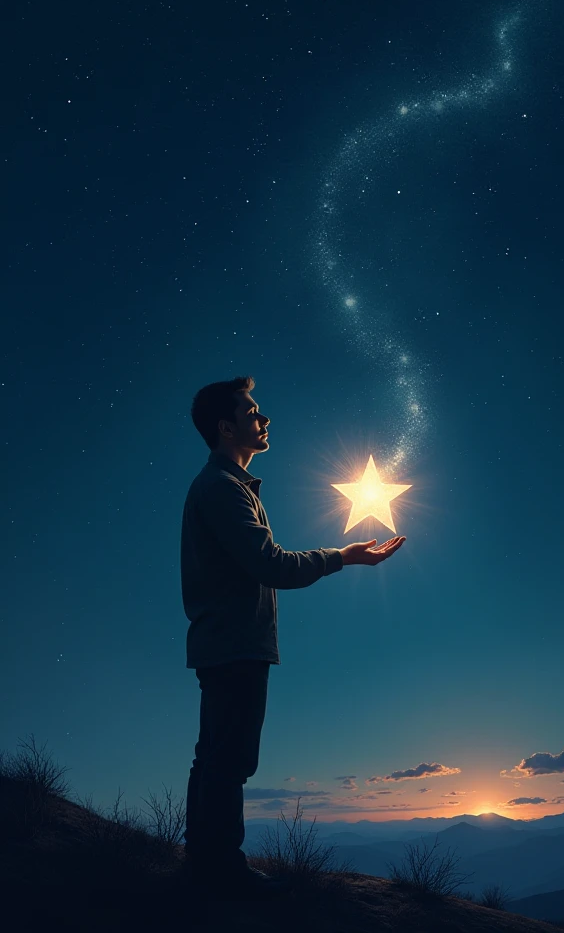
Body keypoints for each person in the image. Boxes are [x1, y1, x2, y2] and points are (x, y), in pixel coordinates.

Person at [181, 376, 406, 901]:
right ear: (225, 426)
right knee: (230, 758)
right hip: (234, 643)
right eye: (253, 411)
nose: (264, 419)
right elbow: (270, 564)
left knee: (214, 755)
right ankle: (221, 869)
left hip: (226, 642)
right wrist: (343, 557)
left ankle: (204, 861)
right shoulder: (221, 488)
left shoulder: (224, 487)